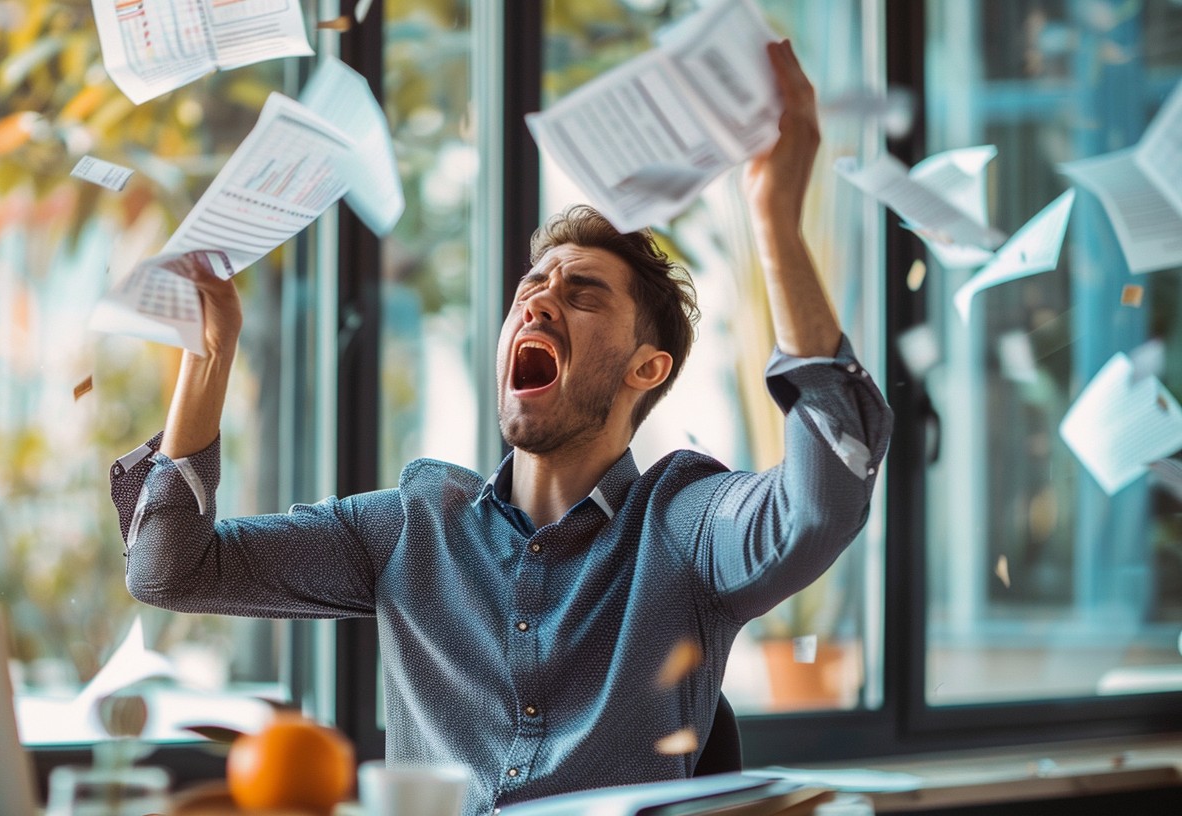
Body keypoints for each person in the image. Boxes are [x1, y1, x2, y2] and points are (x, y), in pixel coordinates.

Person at [110, 40, 892, 816]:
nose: (541, 301)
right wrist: (207, 365)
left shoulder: (682, 528)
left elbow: (820, 505)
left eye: (583, 293)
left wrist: (775, 224)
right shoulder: (412, 528)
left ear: (645, 369)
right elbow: (170, 572)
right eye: (531, 286)